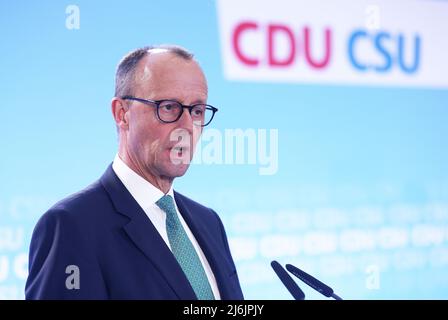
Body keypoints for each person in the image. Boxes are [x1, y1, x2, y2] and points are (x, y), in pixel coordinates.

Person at [25, 45, 244, 300]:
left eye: (196, 110)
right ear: (122, 114)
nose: (187, 127)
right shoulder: (71, 226)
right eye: (169, 107)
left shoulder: (209, 222)